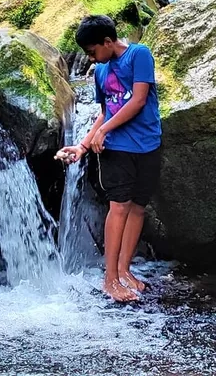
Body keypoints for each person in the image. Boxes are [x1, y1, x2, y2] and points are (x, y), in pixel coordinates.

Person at [55, 15, 163, 303]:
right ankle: (110, 279)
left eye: (92, 52)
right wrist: (82, 146)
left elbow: (138, 100)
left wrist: (104, 129)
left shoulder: (139, 55)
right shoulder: (101, 72)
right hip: (117, 148)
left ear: (107, 41)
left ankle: (125, 271)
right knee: (119, 206)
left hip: (148, 144)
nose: (91, 59)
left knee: (138, 207)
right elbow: (106, 111)